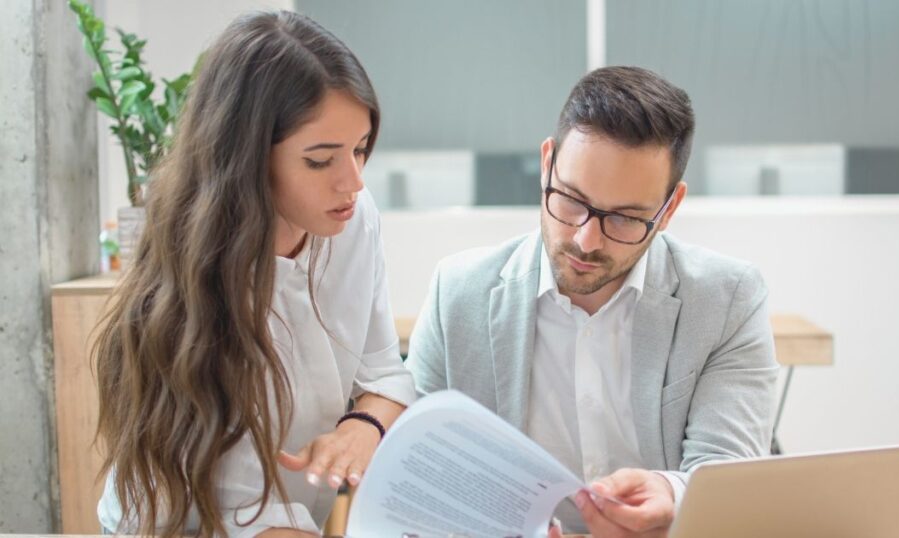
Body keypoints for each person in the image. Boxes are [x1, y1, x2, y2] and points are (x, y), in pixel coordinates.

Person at [405, 66, 779, 536]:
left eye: (624, 219)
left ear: (669, 209)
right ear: (547, 164)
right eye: (570, 200)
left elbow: (726, 475)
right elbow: (416, 470)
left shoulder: (726, 299)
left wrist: (671, 492)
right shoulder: (458, 293)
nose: (585, 240)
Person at [93, 11, 415, 537]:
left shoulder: (353, 222)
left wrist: (363, 425)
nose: (353, 182)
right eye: (320, 160)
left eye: (360, 149)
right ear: (248, 158)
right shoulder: (204, 273)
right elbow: (233, 505)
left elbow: (384, 373)